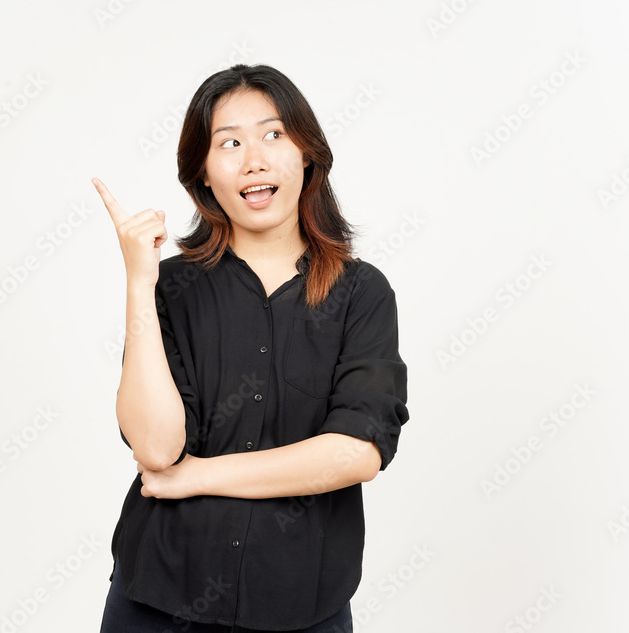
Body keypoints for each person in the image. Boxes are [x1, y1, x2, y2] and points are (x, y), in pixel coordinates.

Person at [94, 63, 409, 632]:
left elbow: (356, 453)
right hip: (158, 600)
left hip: (301, 605)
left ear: (306, 154)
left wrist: (198, 477)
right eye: (229, 143)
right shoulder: (170, 288)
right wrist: (139, 282)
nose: (254, 160)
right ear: (203, 173)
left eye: (273, 135)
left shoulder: (361, 293)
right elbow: (157, 449)